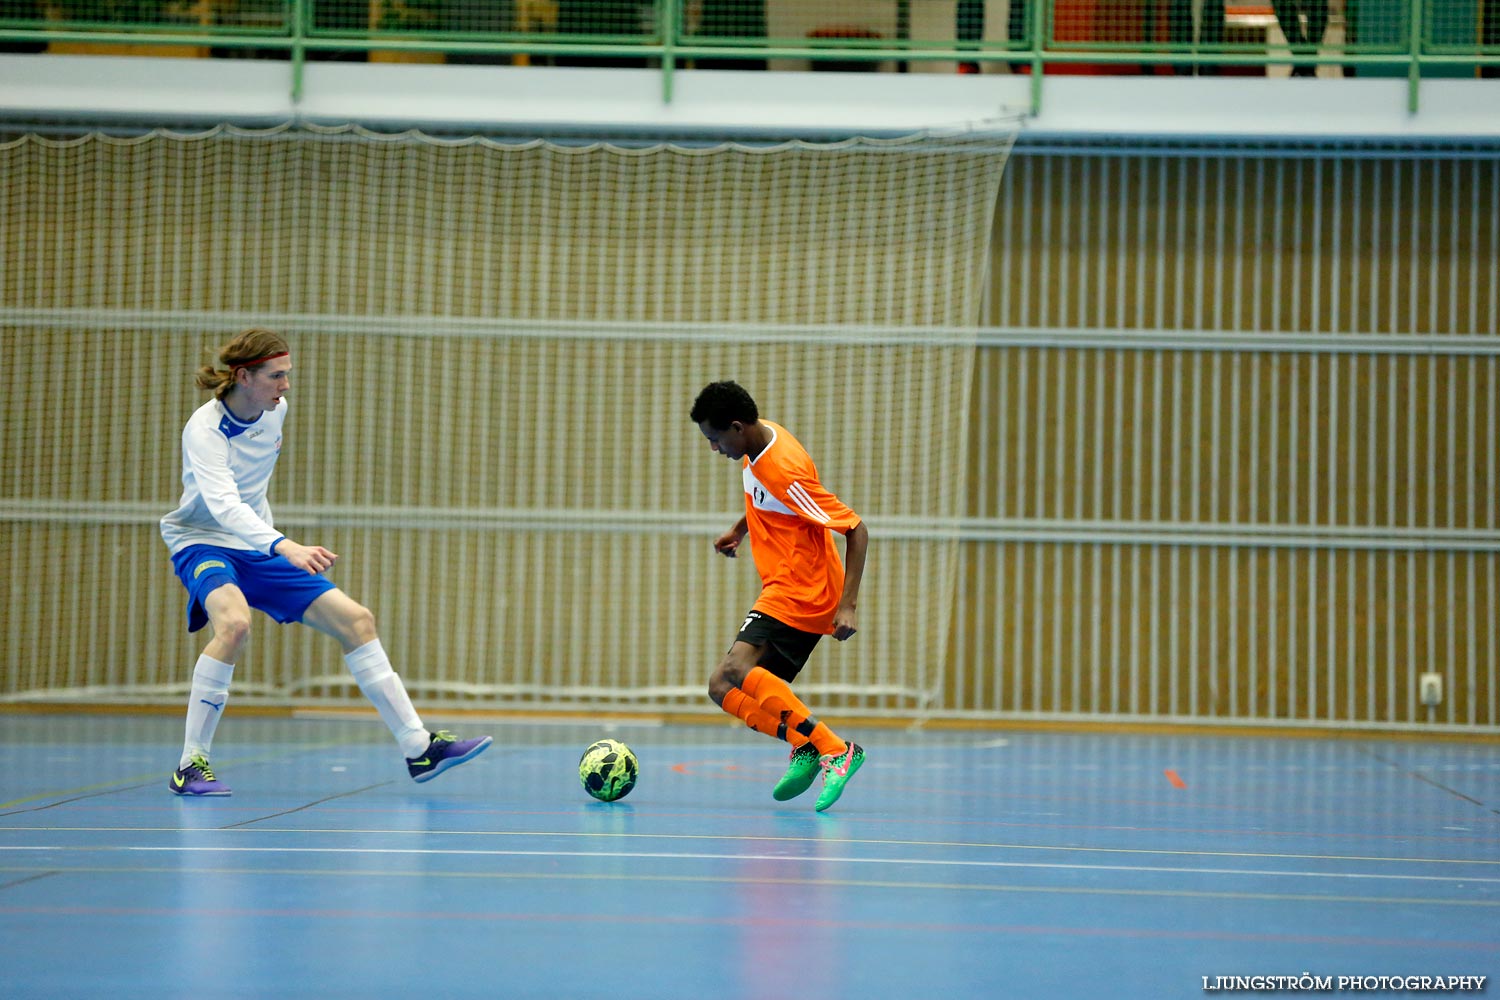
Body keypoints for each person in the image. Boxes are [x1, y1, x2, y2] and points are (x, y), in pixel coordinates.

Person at [160, 328, 491, 796]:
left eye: (287, 375)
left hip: (259, 544)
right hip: (203, 541)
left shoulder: (276, 412)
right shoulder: (204, 429)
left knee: (357, 621)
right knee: (233, 625)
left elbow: (252, 499)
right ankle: (190, 764)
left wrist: (271, 545)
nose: (286, 386)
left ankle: (419, 747)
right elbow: (224, 506)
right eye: (276, 376)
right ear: (243, 376)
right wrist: (285, 546)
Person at [690, 381, 868, 812]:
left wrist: (847, 605)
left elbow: (856, 529)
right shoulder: (756, 441)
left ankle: (834, 749)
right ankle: (805, 745)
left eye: (715, 440)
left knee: (735, 669)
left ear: (736, 427)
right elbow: (767, 498)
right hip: (785, 584)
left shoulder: (784, 469)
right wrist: (740, 528)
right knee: (721, 687)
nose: (715, 450)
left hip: (801, 589)